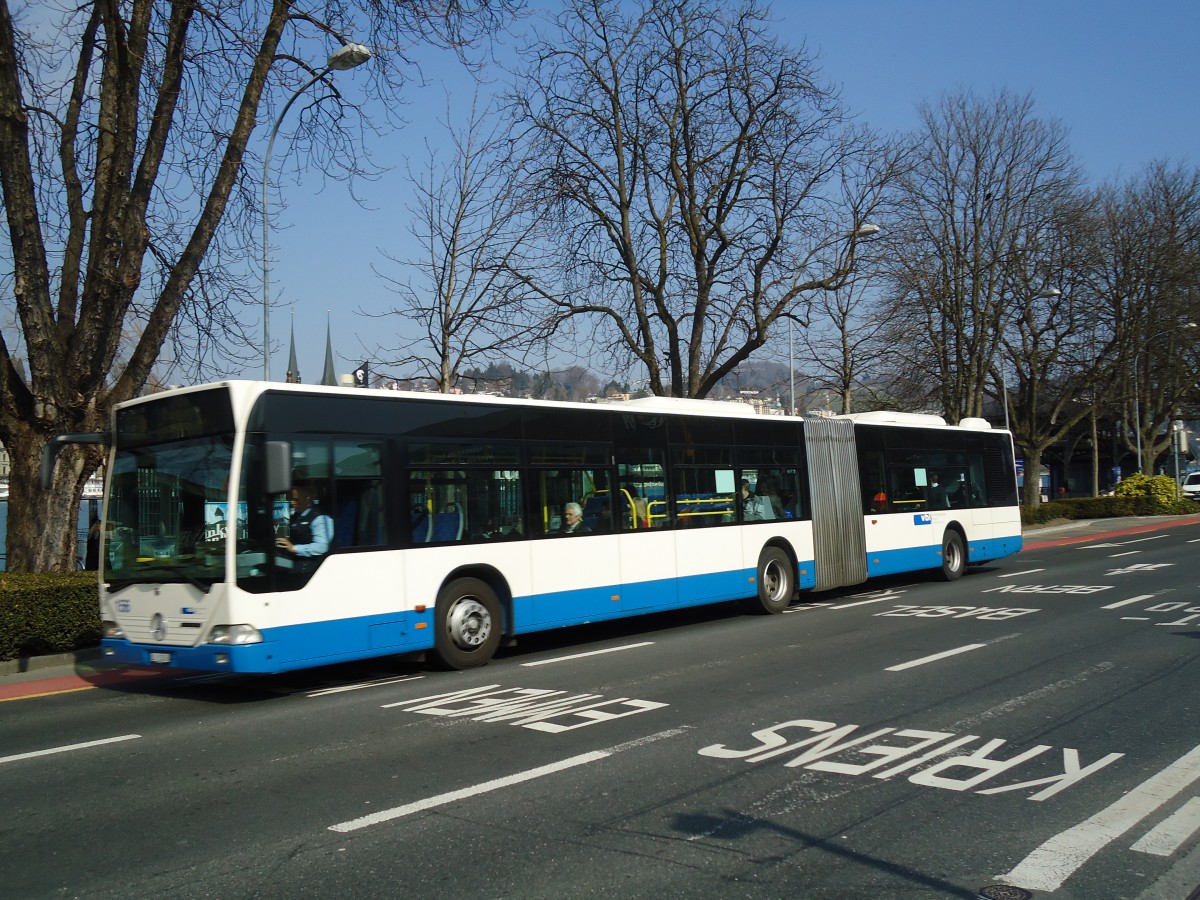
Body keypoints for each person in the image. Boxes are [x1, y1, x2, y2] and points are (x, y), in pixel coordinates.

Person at [276, 483, 334, 569]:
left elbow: (321, 547)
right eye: (291, 499)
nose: (292, 502)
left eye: (296, 500)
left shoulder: (320, 518)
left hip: (310, 566)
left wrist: (294, 548)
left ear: (308, 500)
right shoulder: (296, 516)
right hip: (293, 561)